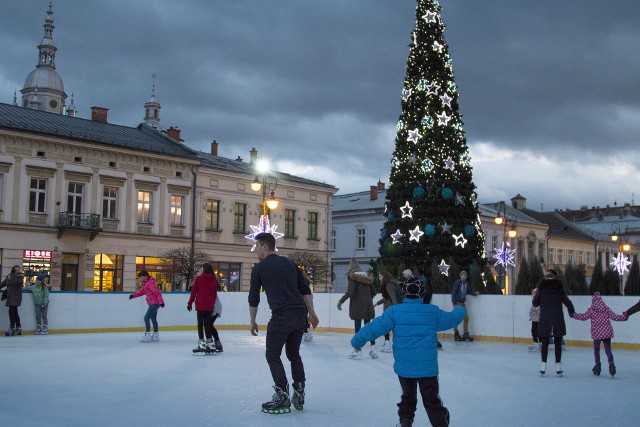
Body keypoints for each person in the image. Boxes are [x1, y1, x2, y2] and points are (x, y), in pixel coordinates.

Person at [351, 276, 465, 427]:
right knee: (432, 400)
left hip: (405, 367)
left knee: (408, 397)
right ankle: (440, 424)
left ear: (404, 293)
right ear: (423, 293)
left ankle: (405, 422)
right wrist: (460, 308)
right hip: (427, 368)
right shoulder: (432, 312)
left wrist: (357, 341)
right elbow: (452, 319)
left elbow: (374, 328)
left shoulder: (395, 312)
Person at [249, 232, 319, 415]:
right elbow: (305, 289)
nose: (256, 249)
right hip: (299, 315)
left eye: (257, 246)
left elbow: (253, 297)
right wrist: (311, 313)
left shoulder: (259, 268)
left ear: (265, 247)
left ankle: (281, 394)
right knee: (293, 354)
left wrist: (252, 321)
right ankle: (299, 391)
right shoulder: (290, 263)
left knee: (272, 355)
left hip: (282, 315)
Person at [572, 292, 628, 377]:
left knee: (596, 350)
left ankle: (598, 366)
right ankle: (611, 365)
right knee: (608, 350)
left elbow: (583, 317)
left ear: (593, 300)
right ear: (601, 300)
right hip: (606, 333)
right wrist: (624, 317)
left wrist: (574, 315)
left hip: (597, 334)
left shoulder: (591, 310)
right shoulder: (606, 309)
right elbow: (615, 317)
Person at [532, 268, 574, 376]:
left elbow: (535, 303)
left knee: (545, 342)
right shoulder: (559, 287)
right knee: (557, 343)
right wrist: (572, 310)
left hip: (545, 317)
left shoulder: (541, 287)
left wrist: (538, 296)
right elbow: (566, 300)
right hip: (557, 316)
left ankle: (543, 365)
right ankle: (558, 366)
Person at [337, 257, 378, 359]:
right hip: (368, 305)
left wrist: (341, 301)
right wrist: (368, 298)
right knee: (368, 327)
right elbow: (375, 291)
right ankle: (373, 349)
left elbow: (350, 292)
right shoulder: (367, 278)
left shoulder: (353, 277)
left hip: (358, 306)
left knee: (358, 328)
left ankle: (357, 350)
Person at [188, 263, 219, 353]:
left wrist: (190, 303)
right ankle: (210, 344)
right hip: (209, 306)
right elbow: (214, 294)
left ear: (203, 269)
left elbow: (194, 293)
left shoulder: (199, 279)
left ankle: (201, 344)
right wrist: (212, 303)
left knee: (200, 325)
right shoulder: (213, 280)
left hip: (201, 305)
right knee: (207, 325)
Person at [129, 270, 165, 342]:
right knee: (153, 319)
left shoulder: (150, 283)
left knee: (146, 318)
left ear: (145, 276)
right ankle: (156, 335)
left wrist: (161, 302)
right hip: (153, 303)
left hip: (154, 303)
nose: (140, 278)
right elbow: (142, 292)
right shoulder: (145, 283)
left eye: (141, 277)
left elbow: (157, 292)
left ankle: (148, 335)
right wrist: (133, 296)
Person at [374, 271, 402, 352]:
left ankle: (387, 344)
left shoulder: (388, 286)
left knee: (385, 326)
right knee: (393, 327)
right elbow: (387, 298)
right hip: (392, 309)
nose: (379, 279)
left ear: (384, 278)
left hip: (390, 309)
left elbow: (393, 298)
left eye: (380, 277)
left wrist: (396, 309)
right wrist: (377, 303)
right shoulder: (393, 284)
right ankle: (395, 344)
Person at [450, 270, 478, 342]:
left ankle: (465, 334)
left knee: (466, 318)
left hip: (463, 303)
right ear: (460, 276)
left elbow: (469, 291)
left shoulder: (466, 284)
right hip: (457, 302)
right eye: (462, 275)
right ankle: (456, 333)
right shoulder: (457, 282)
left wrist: (474, 293)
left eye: (465, 276)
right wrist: (454, 303)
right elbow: (453, 292)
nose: (464, 277)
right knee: (456, 318)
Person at [1, 265, 25, 336]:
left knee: (12, 311)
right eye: (15, 270)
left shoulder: (20, 276)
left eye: (18, 270)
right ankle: (18, 327)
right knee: (14, 311)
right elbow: (4, 283)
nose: (17, 271)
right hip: (10, 295)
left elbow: (19, 284)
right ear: (13, 269)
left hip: (16, 296)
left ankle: (12, 327)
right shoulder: (9, 275)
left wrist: (19, 275)